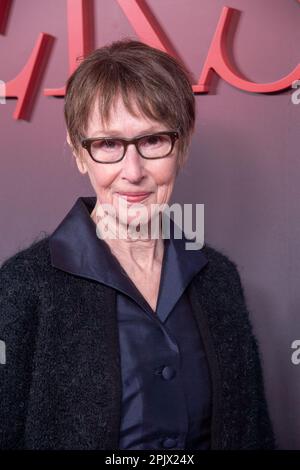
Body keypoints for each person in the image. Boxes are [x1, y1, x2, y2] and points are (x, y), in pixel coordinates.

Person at [0, 39, 275, 450]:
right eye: (108, 144)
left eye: (152, 141)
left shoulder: (219, 278)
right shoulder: (22, 286)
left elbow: (253, 435)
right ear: (79, 153)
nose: (133, 171)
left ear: (180, 146)